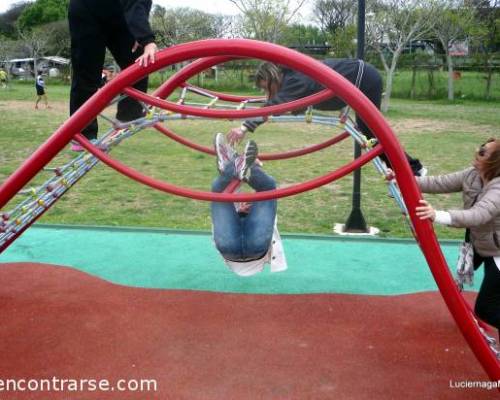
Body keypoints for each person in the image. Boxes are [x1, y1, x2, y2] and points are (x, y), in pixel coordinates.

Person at [228, 60, 426, 176]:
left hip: (363, 79)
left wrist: (245, 126)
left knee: (372, 134)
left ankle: (412, 170)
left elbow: (275, 106)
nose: (266, 93)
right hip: (360, 79)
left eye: (265, 87)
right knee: (371, 134)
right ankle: (409, 170)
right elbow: (290, 105)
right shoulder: (293, 78)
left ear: (272, 78)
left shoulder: (293, 80)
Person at [415, 138, 500, 338]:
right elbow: (438, 182)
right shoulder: (472, 174)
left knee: (486, 308)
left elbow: (479, 214)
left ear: (495, 161)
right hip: (478, 239)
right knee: (461, 275)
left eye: (482, 151)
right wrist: (400, 178)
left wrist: (438, 215)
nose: (476, 151)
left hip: (497, 249)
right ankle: (463, 312)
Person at [68, 0, 158, 151]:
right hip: (86, 11)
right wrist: (148, 40)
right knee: (86, 74)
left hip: (118, 14)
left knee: (139, 61)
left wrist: (140, 35)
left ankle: (128, 116)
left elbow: (139, 6)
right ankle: (83, 136)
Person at [211, 133, 287, 277]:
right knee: (265, 189)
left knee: (220, 193)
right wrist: (253, 166)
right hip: (233, 249)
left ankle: (232, 166)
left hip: (252, 247)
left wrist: (240, 209)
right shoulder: (248, 213)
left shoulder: (241, 208)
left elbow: (233, 191)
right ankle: (236, 166)